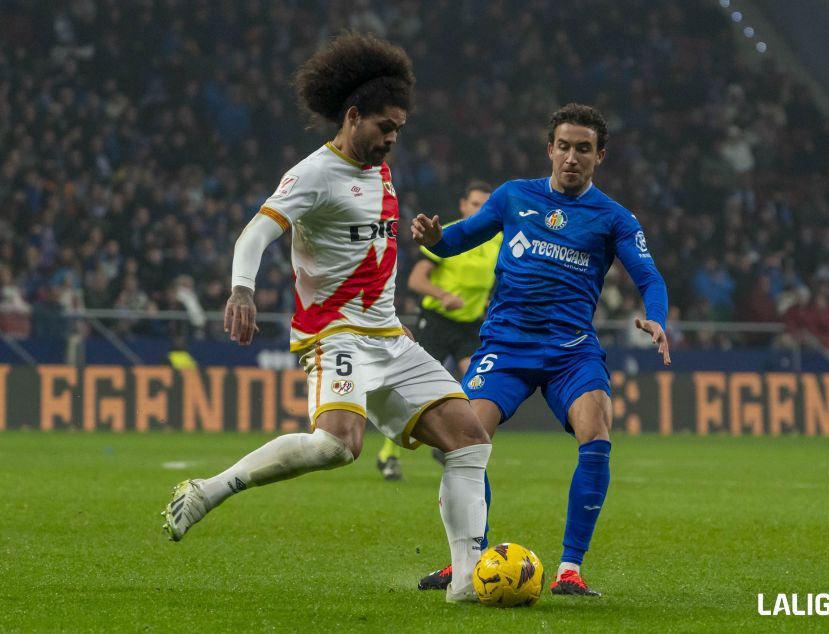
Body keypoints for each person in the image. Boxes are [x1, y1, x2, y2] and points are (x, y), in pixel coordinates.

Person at [161, 34, 491, 603]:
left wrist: (390, 317)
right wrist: (242, 290)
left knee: (469, 440)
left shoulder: (380, 172)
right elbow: (256, 233)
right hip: (333, 332)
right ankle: (210, 490)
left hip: (387, 334)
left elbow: (372, 255)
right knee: (339, 447)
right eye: (385, 127)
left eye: (399, 131)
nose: (392, 140)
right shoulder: (313, 173)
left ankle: (466, 583)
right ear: (353, 116)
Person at [412, 103, 671, 597]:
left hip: (571, 352)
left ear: (600, 156)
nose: (572, 157)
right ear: (550, 149)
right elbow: (454, 242)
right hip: (505, 346)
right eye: (565, 147)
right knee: (462, 442)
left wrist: (656, 318)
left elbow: (649, 277)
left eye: (584, 149)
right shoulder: (513, 197)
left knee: (596, 431)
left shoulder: (614, 217)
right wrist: (434, 238)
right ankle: (466, 559)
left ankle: (570, 569)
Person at [374, 181, 500, 479]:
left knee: (479, 383)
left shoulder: (497, 240)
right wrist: (443, 296)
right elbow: (416, 280)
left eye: (486, 205)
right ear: (462, 205)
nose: (480, 210)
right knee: (412, 391)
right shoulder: (450, 234)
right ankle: (387, 455)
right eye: (474, 204)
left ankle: (447, 446)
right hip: (436, 322)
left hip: (470, 326)